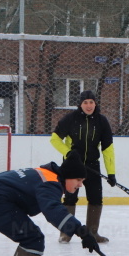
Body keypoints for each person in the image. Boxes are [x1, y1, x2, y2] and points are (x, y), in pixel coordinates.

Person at [50, 90, 116, 244]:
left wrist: (111, 173)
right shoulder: (70, 119)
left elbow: (108, 149)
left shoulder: (102, 121)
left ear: (95, 103)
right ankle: (66, 233)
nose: (88, 105)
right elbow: (54, 139)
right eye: (85, 102)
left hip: (93, 166)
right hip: (73, 166)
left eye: (91, 102)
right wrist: (69, 153)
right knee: (70, 199)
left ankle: (93, 233)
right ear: (80, 104)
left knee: (96, 199)